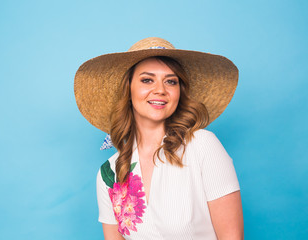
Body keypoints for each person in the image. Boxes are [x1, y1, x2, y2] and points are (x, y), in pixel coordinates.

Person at [74, 37, 243, 240]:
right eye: (147, 80)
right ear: (128, 89)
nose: (160, 90)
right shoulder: (109, 174)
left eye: (171, 81)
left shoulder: (202, 145)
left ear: (179, 92)